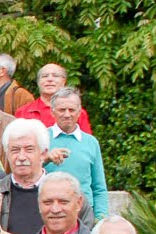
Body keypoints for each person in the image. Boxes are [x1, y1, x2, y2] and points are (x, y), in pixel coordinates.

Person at [43, 88, 109, 220]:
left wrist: (100, 219)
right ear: (52, 112)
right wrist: (46, 159)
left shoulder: (91, 142)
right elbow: (28, 175)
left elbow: (99, 187)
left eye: (71, 110)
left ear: (79, 112)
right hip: (50, 213)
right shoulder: (41, 138)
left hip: (84, 215)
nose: (67, 114)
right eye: (62, 110)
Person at [0, 119, 50, 234]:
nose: (21, 157)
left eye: (29, 149)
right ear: (7, 154)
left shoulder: (64, 193)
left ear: (43, 153)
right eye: (15, 150)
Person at [15, 63, 91, 132]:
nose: (50, 79)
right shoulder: (23, 112)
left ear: (64, 81)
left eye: (55, 76)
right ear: (38, 82)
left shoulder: (76, 112)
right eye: (45, 76)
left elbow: (85, 143)